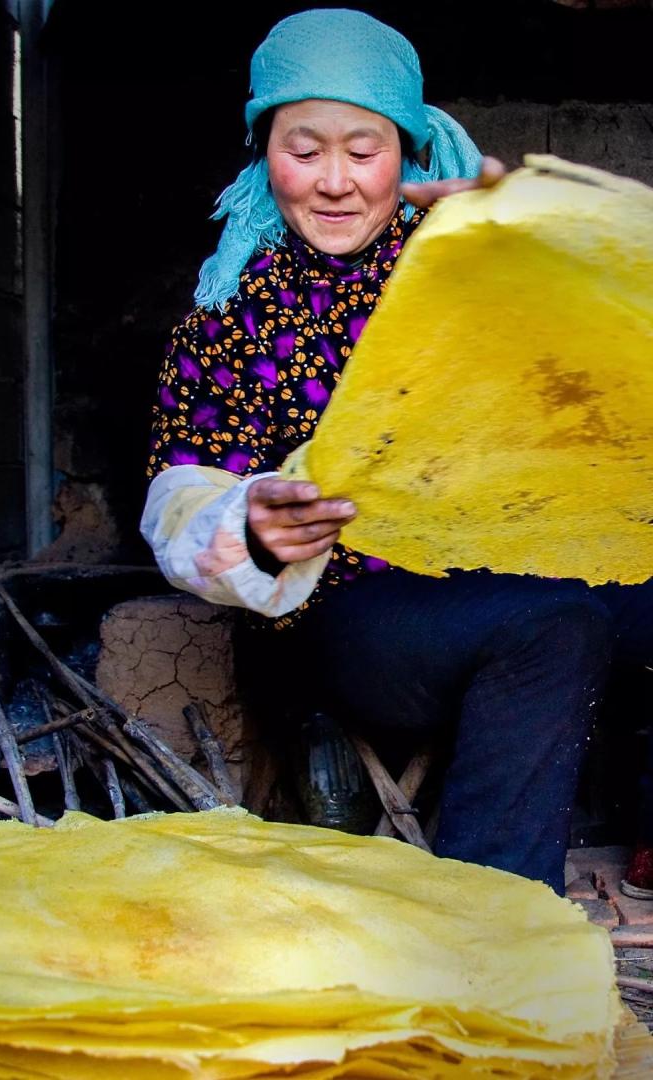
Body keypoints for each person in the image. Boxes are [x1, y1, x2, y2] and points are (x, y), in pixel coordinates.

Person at [141, 8, 652, 898]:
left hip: (510, 560)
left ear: (407, 154)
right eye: (305, 149)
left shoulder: (465, 268)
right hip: (358, 612)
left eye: (364, 150)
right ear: (266, 150)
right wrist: (252, 526)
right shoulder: (230, 317)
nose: (336, 181)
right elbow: (177, 489)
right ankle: (492, 925)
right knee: (553, 621)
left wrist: (543, 245)